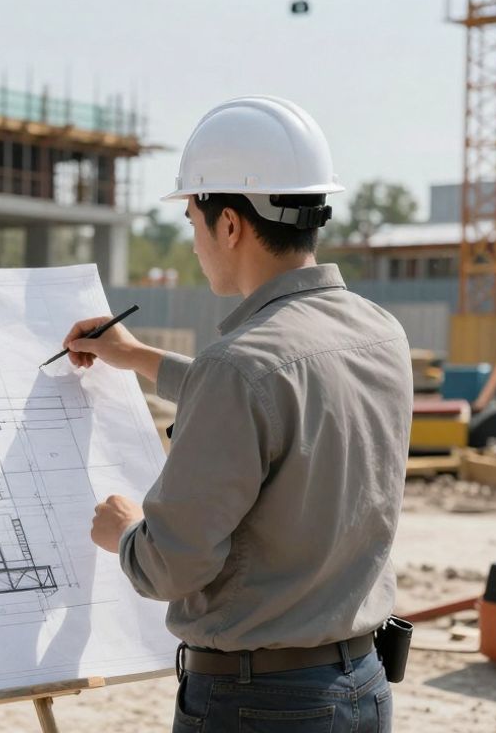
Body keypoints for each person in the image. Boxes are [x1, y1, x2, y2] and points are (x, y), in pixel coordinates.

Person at [69, 96, 412, 732]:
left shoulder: (241, 368)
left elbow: (172, 564)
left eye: (193, 223)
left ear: (229, 224)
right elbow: (276, 394)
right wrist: (136, 356)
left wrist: (124, 531)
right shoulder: (379, 332)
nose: (195, 244)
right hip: (361, 687)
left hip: (262, 704)